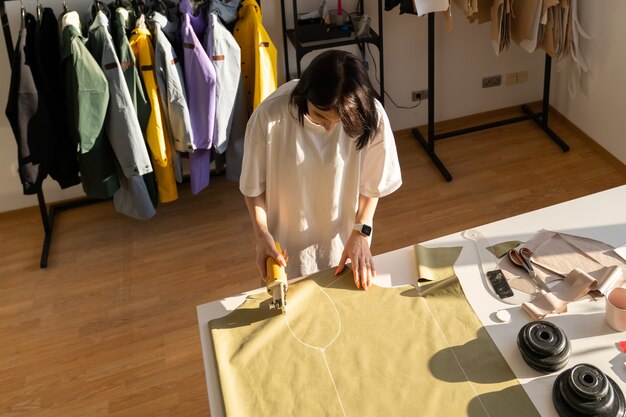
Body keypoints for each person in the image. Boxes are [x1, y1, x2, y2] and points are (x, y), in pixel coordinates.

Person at [240, 50, 402, 290]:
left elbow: (373, 185)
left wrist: (361, 232)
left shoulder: (372, 116)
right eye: (319, 116)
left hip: (347, 244)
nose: (328, 128)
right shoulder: (270, 116)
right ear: (304, 93)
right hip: (284, 251)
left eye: (338, 122)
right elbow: (253, 187)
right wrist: (261, 235)